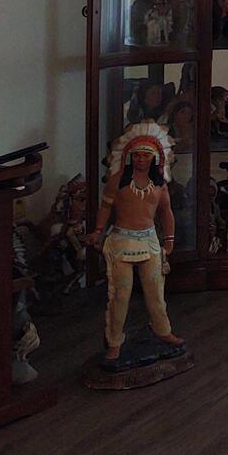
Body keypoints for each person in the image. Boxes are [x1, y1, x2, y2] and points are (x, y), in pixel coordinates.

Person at [87, 125, 184, 361]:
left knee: (155, 293)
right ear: (130, 156)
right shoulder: (117, 180)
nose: (141, 159)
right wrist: (98, 231)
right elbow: (106, 207)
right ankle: (114, 341)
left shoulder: (160, 184)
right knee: (120, 295)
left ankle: (163, 331)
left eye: (146, 155)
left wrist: (169, 240)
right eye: (137, 155)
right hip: (121, 241)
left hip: (150, 242)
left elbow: (166, 213)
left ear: (154, 157)